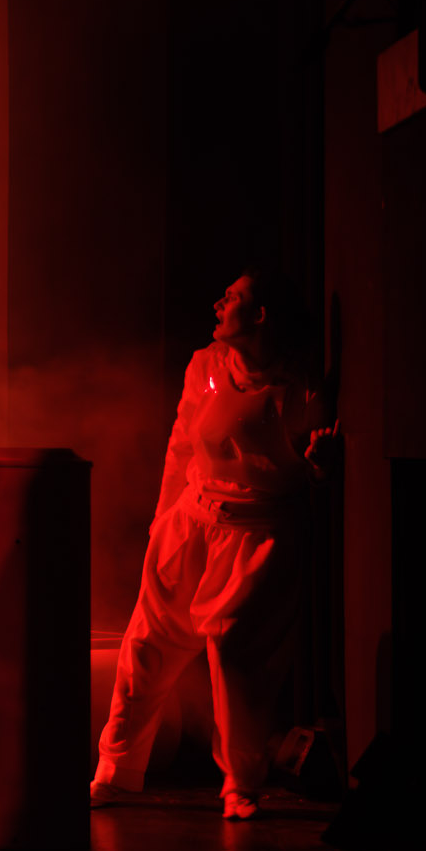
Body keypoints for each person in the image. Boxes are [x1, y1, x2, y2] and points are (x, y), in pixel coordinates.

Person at [92, 271, 339, 820]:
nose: (219, 304)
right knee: (147, 643)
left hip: (257, 534)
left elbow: (310, 471)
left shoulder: (299, 387)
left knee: (236, 657)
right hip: (191, 520)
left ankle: (239, 782)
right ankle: (116, 768)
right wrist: (163, 520)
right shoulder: (205, 366)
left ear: (261, 315)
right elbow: (182, 444)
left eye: (233, 298)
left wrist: (319, 468)